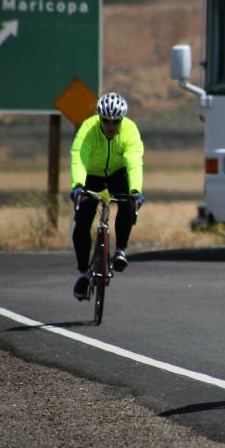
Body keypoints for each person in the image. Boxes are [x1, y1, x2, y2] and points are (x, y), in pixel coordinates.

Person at [69, 92, 145, 300]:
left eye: (116, 121)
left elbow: (134, 161)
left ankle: (120, 251)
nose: (111, 126)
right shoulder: (88, 129)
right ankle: (83, 274)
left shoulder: (130, 130)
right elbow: (79, 157)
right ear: (99, 118)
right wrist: (78, 185)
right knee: (83, 221)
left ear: (122, 120)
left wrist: (135, 190)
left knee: (128, 204)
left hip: (117, 174)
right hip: (91, 175)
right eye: (106, 121)